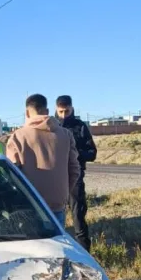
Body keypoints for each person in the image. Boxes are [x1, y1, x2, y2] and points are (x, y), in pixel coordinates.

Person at [6, 94, 79, 229]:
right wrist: (64, 193)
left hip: (30, 206)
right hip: (57, 203)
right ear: (47, 112)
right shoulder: (65, 135)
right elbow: (75, 169)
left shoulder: (17, 137)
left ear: (27, 112)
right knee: (57, 246)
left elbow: (12, 175)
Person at [55, 95, 97, 251]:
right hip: (55, 177)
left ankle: (85, 254)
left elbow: (92, 153)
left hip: (75, 177)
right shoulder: (52, 127)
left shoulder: (80, 127)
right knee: (54, 217)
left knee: (78, 217)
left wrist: (74, 154)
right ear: (56, 109)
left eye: (67, 111)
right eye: (61, 112)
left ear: (72, 108)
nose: (64, 115)